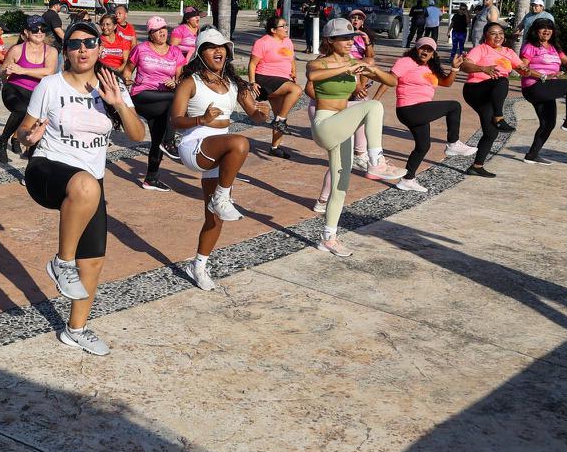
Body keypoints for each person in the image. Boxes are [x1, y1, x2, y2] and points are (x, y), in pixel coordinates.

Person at [14, 22, 145, 355]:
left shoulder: (110, 84)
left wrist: (118, 103)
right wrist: (27, 138)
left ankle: (76, 329)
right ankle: (62, 262)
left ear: (100, 47)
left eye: (89, 43)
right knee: (86, 187)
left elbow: (137, 135)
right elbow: (22, 132)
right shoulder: (50, 85)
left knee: (95, 261)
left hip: (89, 181)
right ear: (66, 52)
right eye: (74, 45)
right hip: (47, 170)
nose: (83, 50)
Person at [170, 29, 268, 290]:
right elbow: (176, 120)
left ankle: (199, 265)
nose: (218, 50)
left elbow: (254, 114)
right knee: (240, 142)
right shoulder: (191, 82)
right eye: (211, 46)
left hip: (221, 152)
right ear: (201, 53)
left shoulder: (234, 84)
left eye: (222, 46)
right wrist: (201, 119)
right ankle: (222, 197)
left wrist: (263, 113)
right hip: (194, 146)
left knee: (214, 217)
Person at [306, 18, 407, 255]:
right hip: (325, 124)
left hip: (342, 126)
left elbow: (392, 81)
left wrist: (372, 69)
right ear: (330, 41)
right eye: (344, 38)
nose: (350, 42)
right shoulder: (319, 63)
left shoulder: (354, 62)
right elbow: (312, 77)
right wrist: (347, 68)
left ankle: (328, 238)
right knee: (373, 106)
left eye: (351, 38)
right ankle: (376, 162)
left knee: (341, 186)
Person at [390, 38, 477, 192]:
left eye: (429, 50)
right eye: (422, 48)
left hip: (421, 110)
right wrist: (375, 99)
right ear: (415, 49)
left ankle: (407, 180)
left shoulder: (431, 67)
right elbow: (390, 80)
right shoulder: (406, 62)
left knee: (423, 146)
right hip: (410, 108)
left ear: (433, 54)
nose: (425, 51)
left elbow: (446, 83)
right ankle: (453, 143)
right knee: (454, 106)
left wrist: (454, 69)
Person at [460, 21, 542, 177]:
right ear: (485, 36)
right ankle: (499, 117)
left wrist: (543, 76)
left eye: (501, 33)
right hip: (475, 90)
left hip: (492, 94)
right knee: (502, 80)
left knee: (491, 133)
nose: (498, 36)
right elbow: (465, 66)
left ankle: (476, 166)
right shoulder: (481, 49)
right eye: (493, 33)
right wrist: (483, 68)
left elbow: (522, 69)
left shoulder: (509, 52)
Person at [123, 16, 189, 191]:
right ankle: (170, 142)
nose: (162, 32)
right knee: (175, 100)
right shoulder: (141, 49)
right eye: (157, 30)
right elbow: (127, 71)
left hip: (163, 100)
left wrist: (175, 84)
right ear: (150, 34)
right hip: (142, 94)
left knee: (157, 138)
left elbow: (179, 77)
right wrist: (127, 80)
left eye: (164, 29)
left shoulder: (175, 51)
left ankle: (151, 178)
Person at [520, 21, 567, 162]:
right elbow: (522, 68)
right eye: (543, 28)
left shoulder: (554, 47)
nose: (546, 31)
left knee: (548, 124)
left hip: (547, 88)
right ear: (536, 31)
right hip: (535, 86)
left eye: (549, 28)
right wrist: (543, 76)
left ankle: (532, 155)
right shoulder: (530, 47)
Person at [0, 16, 58, 164]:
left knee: (36, 127)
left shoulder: (51, 51)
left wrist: (22, 70)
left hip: (37, 93)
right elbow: (1, 71)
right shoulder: (16, 50)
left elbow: (49, 72)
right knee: (23, 109)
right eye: (35, 29)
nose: (39, 32)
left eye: (43, 28)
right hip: (14, 89)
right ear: (26, 32)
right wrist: (6, 72)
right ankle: (2, 141)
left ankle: (30, 164)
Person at [248, 14, 303, 159]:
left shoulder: (288, 42)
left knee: (279, 112)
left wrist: (294, 73)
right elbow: (252, 64)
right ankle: (280, 121)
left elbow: (291, 60)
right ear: (273, 29)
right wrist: (252, 82)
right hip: (265, 78)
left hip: (283, 79)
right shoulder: (262, 42)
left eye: (286, 25)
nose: (286, 28)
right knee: (296, 91)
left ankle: (274, 147)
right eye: (283, 26)